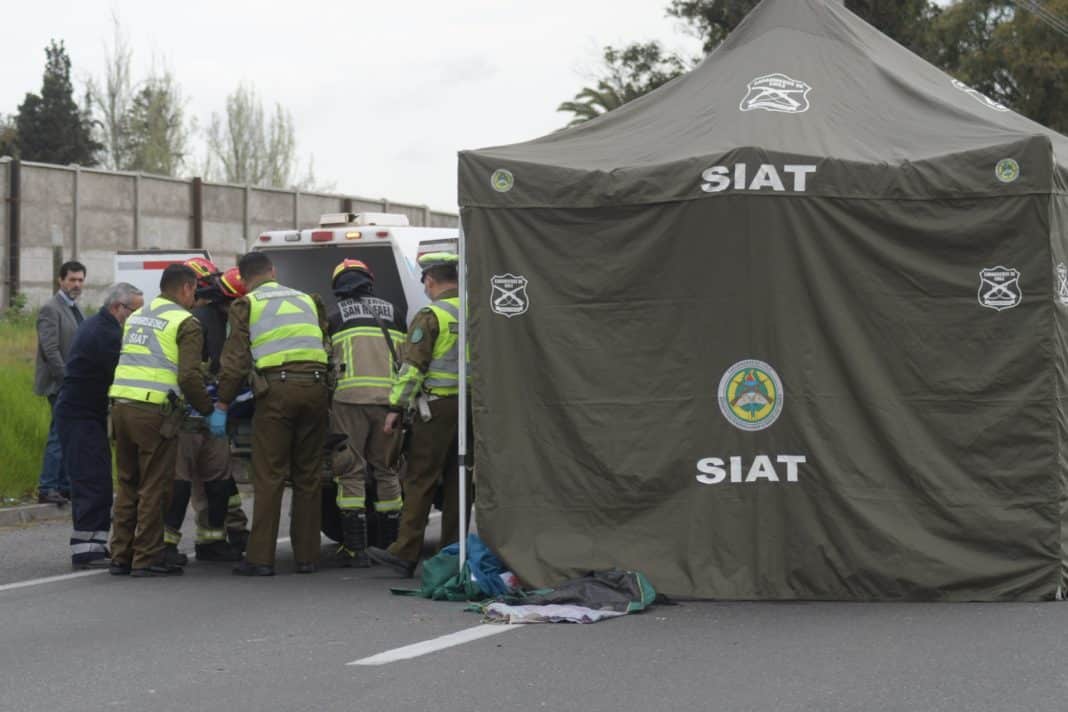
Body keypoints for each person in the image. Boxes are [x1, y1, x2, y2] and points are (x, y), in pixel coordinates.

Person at [213, 252, 330, 576]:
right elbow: (326, 341)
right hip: (318, 388)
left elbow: (235, 362)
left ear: (244, 278)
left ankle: (260, 559)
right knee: (308, 476)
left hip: (277, 391)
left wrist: (222, 404)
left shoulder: (247, 304)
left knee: (270, 474)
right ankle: (307, 557)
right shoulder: (308, 299)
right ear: (273, 272)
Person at [367, 252, 471, 577]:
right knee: (461, 481)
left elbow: (412, 368)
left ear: (430, 280)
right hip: (471, 408)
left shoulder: (431, 315)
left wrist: (396, 407)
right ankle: (454, 553)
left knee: (420, 480)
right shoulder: (476, 311)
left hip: (436, 410)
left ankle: (405, 551)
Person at [107, 264, 213, 577]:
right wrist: (209, 409)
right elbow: (190, 376)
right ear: (186, 288)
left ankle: (120, 555)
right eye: (194, 290)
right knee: (155, 486)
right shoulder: (185, 322)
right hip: (153, 413)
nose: (194, 297)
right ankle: (147, 558)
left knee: (127, 484)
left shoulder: (137, 315)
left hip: (120, 407)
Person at [162, 263, 248, 566]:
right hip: (189, 414)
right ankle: (166, 544)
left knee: (217, 480)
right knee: (180, 480)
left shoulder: (221, 321)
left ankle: (212, 539)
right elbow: (189, 374)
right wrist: (211, 409)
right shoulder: (193, 322)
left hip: (211, 413)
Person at [55, 283, 144, 569]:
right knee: (91, 480)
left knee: (96, 478)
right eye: (135, 311)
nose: (137, 317)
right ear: (118, 307)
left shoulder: (99, 325)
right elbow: (122, 372)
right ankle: (85, 549)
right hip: (80, 415)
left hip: (85, 413)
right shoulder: (106, 333)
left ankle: (93, 543)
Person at [326, 259, 406, 567]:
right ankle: (391, 546)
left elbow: (325, 359)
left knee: (351, 470)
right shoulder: (394, 314)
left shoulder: (334, 317)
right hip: (388, 403)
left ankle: (355, 549)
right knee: (386, 470)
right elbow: (406, 360)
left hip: (348, 401)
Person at [34, 260, 86, 505]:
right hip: (60, 384)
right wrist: (67, 380)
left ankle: (64, 486)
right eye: (72, 279)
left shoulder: (75, 307)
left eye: (80, 280)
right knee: (58, 434)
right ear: (60, 280)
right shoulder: (51, 308)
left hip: (73, 383)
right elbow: (50, 349)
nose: (76, 284)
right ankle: (47, 486)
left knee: (68, 434)